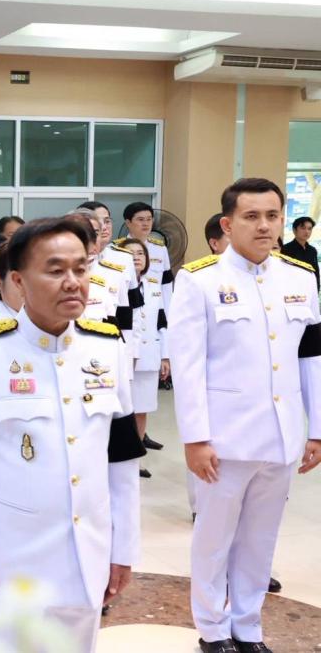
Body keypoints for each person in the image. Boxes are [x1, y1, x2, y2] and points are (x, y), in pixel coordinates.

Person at [0, 217, 143, 653]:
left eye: (81, 268)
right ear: (18, 280)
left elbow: (123, 460)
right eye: (55, 270)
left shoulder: (107, 347)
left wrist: (123, 548)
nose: (73, 282)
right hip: (14, 557)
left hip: (87, 551)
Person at [171, 178, 321, 653]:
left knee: (260, 540)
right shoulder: (199, 280)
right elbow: (189, 366)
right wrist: (195, 438)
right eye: (252, 216)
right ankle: (213, 631)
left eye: (272, 215)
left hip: (281, 437)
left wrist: (316, 429)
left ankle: (248, 628)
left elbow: (311, 359)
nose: (264, 225)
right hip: (223, 440)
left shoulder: (300, 278)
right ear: (227, 223)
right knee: (214, 540)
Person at [121, 238, 169, 479]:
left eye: (140, 253)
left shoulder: (153, 285)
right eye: (131, 254)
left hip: (149, 356)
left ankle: (137, 458)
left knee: (142, 409)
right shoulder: (117, 282)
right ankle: (122, 457)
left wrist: (166, 356)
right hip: (124, 357)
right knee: (123, 410)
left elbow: (162, 322)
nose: (137, 257)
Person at [281, 216, 320, 290]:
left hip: (310, 288)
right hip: (293, 289)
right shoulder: (286, 249)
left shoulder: (312, 250)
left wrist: (317, 288)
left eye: (309, 229)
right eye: (303, 228)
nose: (307, 231)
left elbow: (316, 272)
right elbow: (284, 273)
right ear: (294, 230)